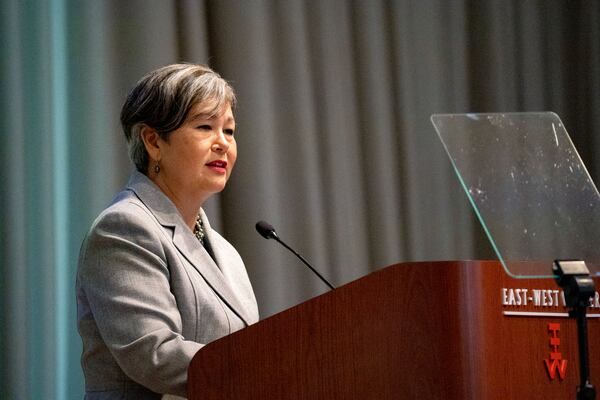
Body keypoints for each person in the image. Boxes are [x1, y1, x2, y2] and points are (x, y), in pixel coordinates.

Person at [76, 63, 259, 399]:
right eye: (205, 126)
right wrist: (268, 368)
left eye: (229, 131)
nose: (222, 143)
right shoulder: (123, 229)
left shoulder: (225, 252)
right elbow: (154, 354)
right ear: (153, 141)